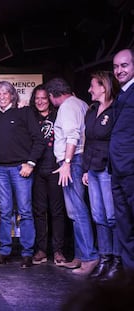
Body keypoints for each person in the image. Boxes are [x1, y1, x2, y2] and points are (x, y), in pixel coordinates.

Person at [45, 77, 99, 276]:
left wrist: (66, 163)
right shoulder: (81, 103)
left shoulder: (67, 107)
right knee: (78, 210)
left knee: (77, 211)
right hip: (79, 159)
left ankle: (89, 257)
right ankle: (80, 256)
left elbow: (72, 136)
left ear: (52, 95)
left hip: (73, 160)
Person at [0, 81, 45, 268]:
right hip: (0, 169)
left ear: (13, 95)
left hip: (21, 169)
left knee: (25, 212)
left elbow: (39, 140)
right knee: (4, 212)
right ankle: (4, 251)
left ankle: (27, 253)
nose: (2, 96)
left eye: (6, 93)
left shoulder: (24, 112)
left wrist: (30, 163)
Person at [82, 71, 122, 280]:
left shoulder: (116, 109)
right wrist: (85, 169)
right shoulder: (92, 110)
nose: (89, 90)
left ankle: (117, 260)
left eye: (92, 86)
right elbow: (88, 141)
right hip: (93, 169)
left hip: (107, 169)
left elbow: (117, 141)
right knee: (98, 216)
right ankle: (104, 259)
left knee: (112, 216)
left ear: (103, 87)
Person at [29, 84, 67, 266]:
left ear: (50, 99)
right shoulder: (30, 116)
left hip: (55, 168)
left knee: (58, 211)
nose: (40, 101)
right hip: (36, 170)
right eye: (37, 98)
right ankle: (42, 249)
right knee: (38, 211)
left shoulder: (58, 115)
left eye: (44, 98)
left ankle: (58, 250)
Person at [110, 48, 134, 275]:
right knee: (123, 225)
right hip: (117, 171)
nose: (119, 71)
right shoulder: (121, 95)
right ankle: (129, 275)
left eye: (124, 65)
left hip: (131, 169)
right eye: (116, 66)